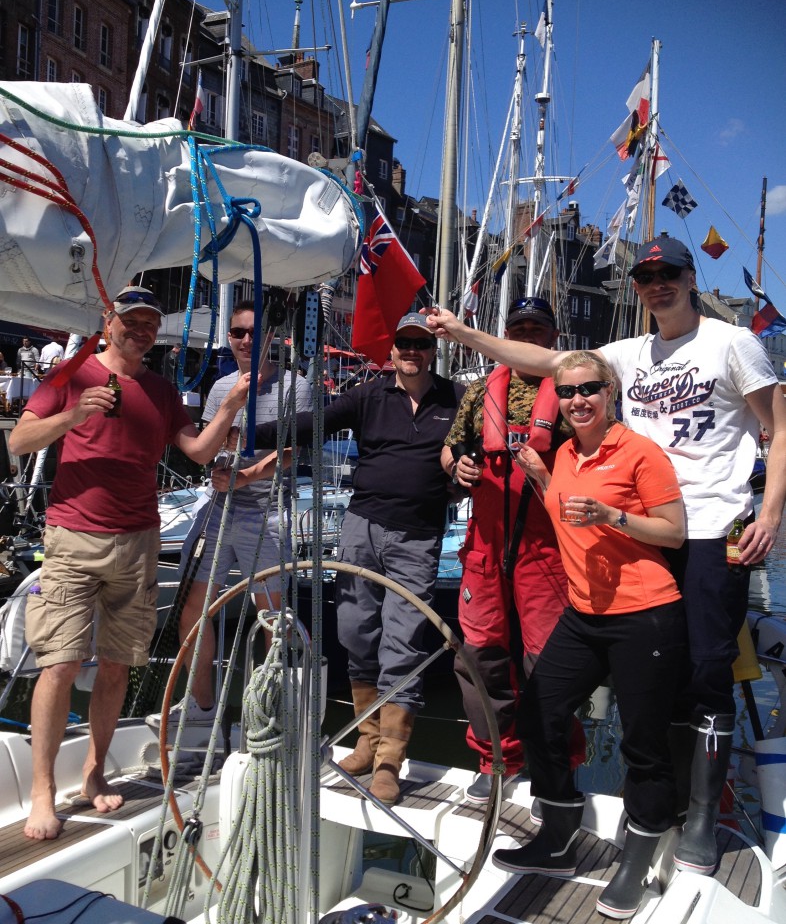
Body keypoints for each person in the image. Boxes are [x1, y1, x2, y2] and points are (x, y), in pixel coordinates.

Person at [426, 233, 786, 875]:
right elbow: (538, 358)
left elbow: (779, 426)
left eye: (668, 272)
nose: (657, 285)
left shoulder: (733, 342)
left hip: (707, 526)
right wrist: (462, 334)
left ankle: (698, 816)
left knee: (706, 672)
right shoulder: (624, 353)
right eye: (646, 277)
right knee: (646, 688)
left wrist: (773, 511)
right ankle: (632, 814)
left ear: (689, 274)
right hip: (636, 531)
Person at [9, 285, 254, 842]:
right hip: (72, 538)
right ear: (108, 320)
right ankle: (45, 790)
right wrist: (73, 415)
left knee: (118, 664)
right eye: (132, 321)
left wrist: (232, 407)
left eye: (150, 323)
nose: (141, 330)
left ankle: (95, 772)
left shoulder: (163, 391)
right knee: (60, 664)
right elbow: (21, 441)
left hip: (140, 540)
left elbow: (196, 451)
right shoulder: (72, 375)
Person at [492, 351, 687, 920]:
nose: (578, 400)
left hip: (644, 614)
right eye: (569, 391)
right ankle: (557, 837)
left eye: (590, 389)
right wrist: (543, 478)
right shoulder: (565, 455)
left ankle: (637, 859)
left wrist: (612, 515)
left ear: (611, 392)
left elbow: (673, 533)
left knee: (643, 745)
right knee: (538, 714)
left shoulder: (639, 453)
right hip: (584, 615)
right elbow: (564, 513)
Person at [253, 313, 465, 805]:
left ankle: (390, 757)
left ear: (432, 349)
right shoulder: (370, 396)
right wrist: (249, 431)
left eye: (420, 344)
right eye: (403, 343)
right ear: (390, 350)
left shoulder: (455, 400)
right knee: (353, 631)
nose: (411, 351)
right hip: (361, 529)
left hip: (418, 537)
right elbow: (312, 422)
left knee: (404, 644)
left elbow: (480, 443)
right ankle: (367, 742)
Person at [441, 297, 583, 804]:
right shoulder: (481, 392)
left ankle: (557, 764)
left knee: (549, 662)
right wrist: (457, 465)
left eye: (536, 329)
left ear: (552, 335)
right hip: (485, 543)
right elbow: (450, 446)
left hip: (547, 547)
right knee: (478, 658)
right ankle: (497, 757)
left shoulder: (574, 392)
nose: (527, 336)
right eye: (518, 328)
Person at [147, 300, 312, 728]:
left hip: (268, 514)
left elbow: (295, 451)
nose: (244, 340)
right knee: (191, 611)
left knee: (272, 620)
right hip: (220, 510)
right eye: (237, 332)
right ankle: (202, 708)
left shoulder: (296, 386)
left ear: (271, 339)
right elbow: (210, 443)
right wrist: (223, 463)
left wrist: (246, 476)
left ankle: (267, 714)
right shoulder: (222, 388)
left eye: (253, 333)